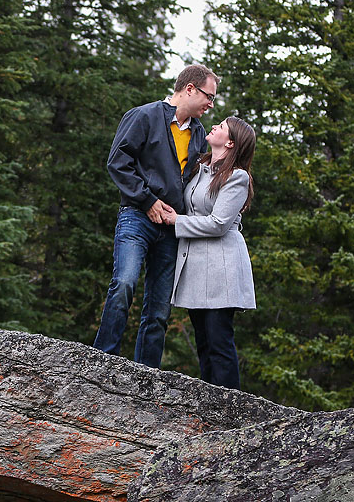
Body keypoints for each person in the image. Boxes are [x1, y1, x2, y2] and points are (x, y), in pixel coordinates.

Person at [93, 64, 217, 368]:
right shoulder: (144, 115)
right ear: (190, 89)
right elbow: (118, 163)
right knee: (124, 283)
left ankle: (146, 374)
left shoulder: (199, 134)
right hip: (137, 217)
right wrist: (148, 200)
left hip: (172, 229)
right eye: (209, 96)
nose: (211, 104)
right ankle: (101, 360)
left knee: (159, 309)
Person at [162, 116, 256, 389]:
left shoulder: (237, 177)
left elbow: (218, 224)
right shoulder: (200, 169)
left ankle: (230, 412)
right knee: (203, 342)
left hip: (221, 266)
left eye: (222, 126)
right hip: (195, 265)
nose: (214, 126)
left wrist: (175, 221)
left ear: (230, 142)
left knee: (219, 341)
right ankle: (209, 409)